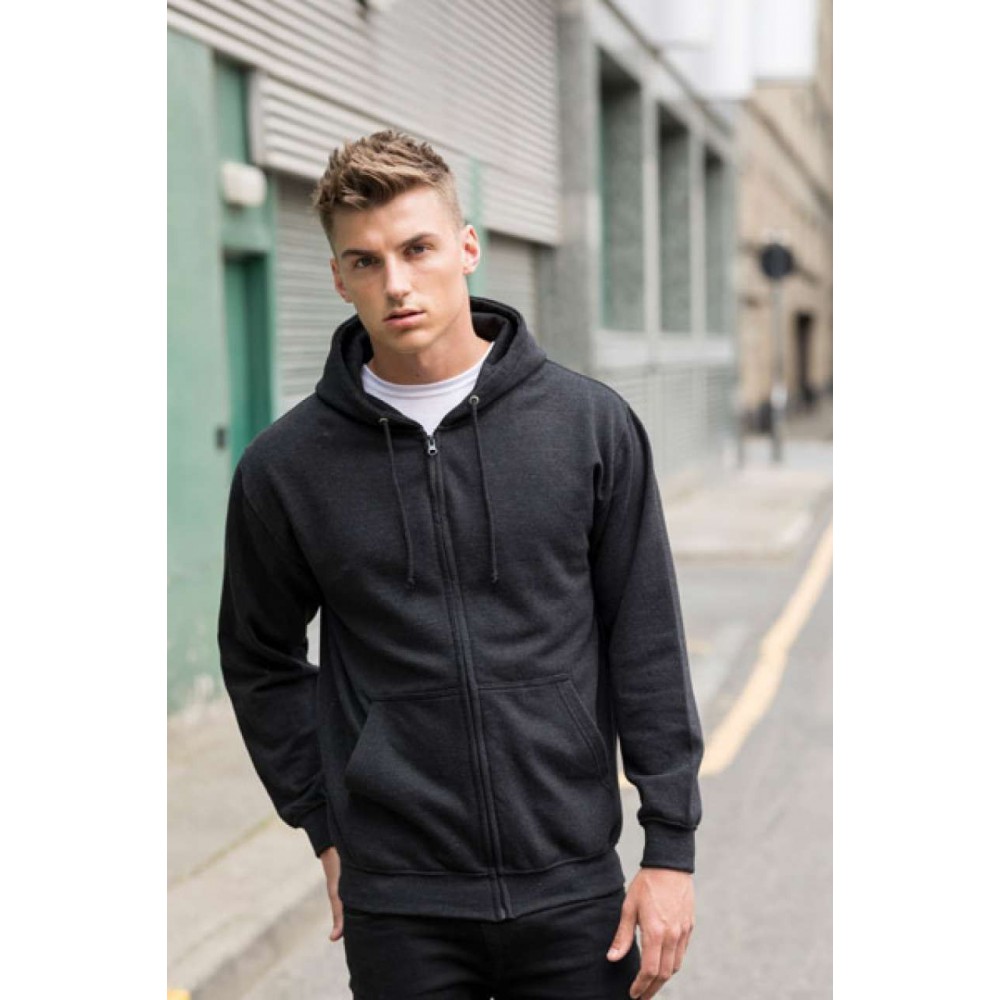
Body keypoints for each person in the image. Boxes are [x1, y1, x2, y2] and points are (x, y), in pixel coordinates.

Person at [218, 129, 704, 999]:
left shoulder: (587, 427)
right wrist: (324, 822)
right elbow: (259, 657)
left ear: (467, 247)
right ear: (338, 278)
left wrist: (669, 849)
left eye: (418, 249)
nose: (396, 283)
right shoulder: (286, 468)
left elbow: (646, 640)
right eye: (365, 262)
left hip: (572, 884)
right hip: (399, 901)